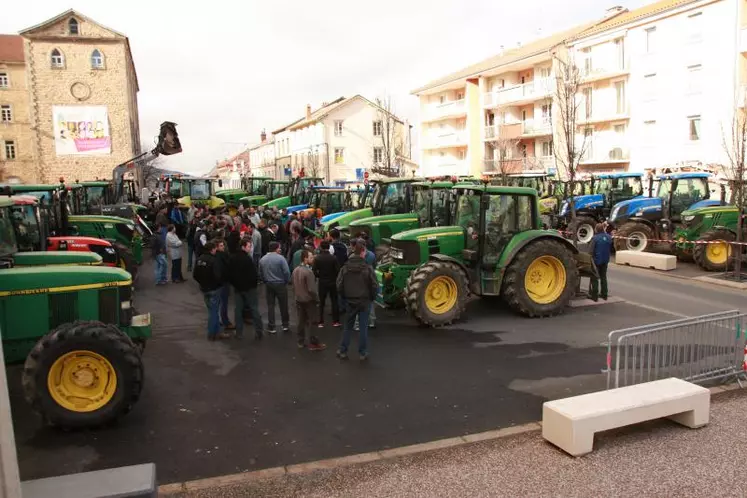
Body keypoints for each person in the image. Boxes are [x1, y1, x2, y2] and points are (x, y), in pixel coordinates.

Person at [336, 239, 378, 361]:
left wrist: (345, 297)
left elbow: (339, 285)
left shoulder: (345, 267)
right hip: (364, 301)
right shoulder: (368, 268)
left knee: (348, 327)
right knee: (363, 328)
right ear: (363, 252)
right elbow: (374, 285)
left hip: (350, 301)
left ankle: (343, 350)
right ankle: (362, 353)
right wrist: (371, 297)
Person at [228, 237, 263, 340]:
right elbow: (253, 275)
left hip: (238, 288)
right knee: (254, 308)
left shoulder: (233, 258)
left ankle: (238, 332)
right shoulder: (247, 259)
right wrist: (253, 285)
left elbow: (230, 273)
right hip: (249, 289)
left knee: (238, 310)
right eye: (249, 246)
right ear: (243, 247)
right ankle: (259, 331)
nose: (250, 248)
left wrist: (235, 284)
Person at [194, 241, 229, 341]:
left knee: (211, 310)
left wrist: (202, 283)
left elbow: (195, 275)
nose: (215, 250)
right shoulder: (214, 261)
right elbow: (217, 276)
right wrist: (219, 284)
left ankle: (216, 331)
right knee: (213, 312)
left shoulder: (199, 259)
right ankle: (212, 333)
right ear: (211, 249)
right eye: (214, 248)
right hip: (214, 289)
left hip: (204, 288)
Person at [292, 249, 326, 351]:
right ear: (305, 258)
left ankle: (300, 341)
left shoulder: (295, 270)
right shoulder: (308, 272)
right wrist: (317, 299)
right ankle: (313, 343)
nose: (313, 258)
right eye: (311, 257)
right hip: (309, 300)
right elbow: (312, 289)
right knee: (313, 322)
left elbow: (293, 285)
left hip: (299, 299)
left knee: (301, 321)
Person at [258, 241, 291, 334]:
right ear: (276, 248)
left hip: (269, 284)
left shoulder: (262, 259)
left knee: (271, 305)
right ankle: (285, 325)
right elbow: (286, 272)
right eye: (279, 248)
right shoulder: (281, 259)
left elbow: (260, 273)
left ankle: (271, 326)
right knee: (283, 305)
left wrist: (265, 280)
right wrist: (286, 281)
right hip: (280, 284)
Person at [313, 240, 341, 328]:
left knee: (321, 302)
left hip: (322, 282)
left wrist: (319, 275)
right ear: (329, 247)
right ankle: (336, 321)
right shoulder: (334, 258)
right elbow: (338, 270)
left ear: (321, 247)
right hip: (332, 282)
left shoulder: (317, 258)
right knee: (334, 301)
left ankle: (321, 321)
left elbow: (314, 271)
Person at [589, 223, 612, 302]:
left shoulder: (595, 238)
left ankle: (594, 296)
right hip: (605, 260)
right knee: (603, 277)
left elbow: (590, 251)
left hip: (596, 261)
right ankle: (604, 294)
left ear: (596, 230)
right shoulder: (609, 237)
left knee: (594, 277)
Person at [215, 239, 234, 330]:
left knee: (217, 303)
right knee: (224, 303)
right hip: (223, 282)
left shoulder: (213, 256)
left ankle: (218, 320)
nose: (223, 247)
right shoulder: (223, 256)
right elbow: (225, 269)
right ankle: (225, 321)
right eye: (221, 246)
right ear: (217, 247)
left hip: (216, 283)